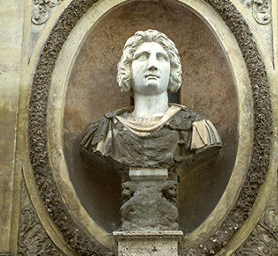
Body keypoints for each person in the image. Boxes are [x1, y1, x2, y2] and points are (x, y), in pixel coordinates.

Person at [80, 29, 221, 173]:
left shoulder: (197, 129)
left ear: (172, 71)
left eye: (161, 58)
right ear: (127, 69)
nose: (152, 65)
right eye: (143, 57)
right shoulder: (104, 132)